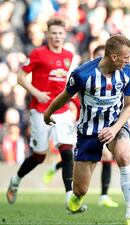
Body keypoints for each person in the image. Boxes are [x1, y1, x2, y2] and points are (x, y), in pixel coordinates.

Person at [43, 34, 130, 225]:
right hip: (88, 131)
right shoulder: (82, 74)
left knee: (123, 156)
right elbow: (65, 96)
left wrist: (114, 128)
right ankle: (76, 199)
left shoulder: (128, 72)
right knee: (80, 189)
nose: (128, 61)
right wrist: (48, 112)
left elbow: (129, 106)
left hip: (115, 124)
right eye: (126, 57)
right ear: (114, 57)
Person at [6, 17, 78, 209]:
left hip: (61, 110)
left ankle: (70, 199)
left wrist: (73, 101)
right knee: (39, 155)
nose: (57, 37)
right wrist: (37, 93)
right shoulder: (38, 53)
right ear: (47, 34)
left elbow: (66, 83)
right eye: (53, 33)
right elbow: (21, 77)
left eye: (60, 33)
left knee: (67, 151)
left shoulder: (69, 56)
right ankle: (15, 179)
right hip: (40, 109)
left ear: (64, 35)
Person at [42, 45, 119, 208]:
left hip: (101, 126)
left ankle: (104, 195)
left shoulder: (114, 78)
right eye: (98, 55)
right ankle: (59, 171)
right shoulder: (85, 77)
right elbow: (68, 99)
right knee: (75, 157)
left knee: (104, 157)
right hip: (82, 126)